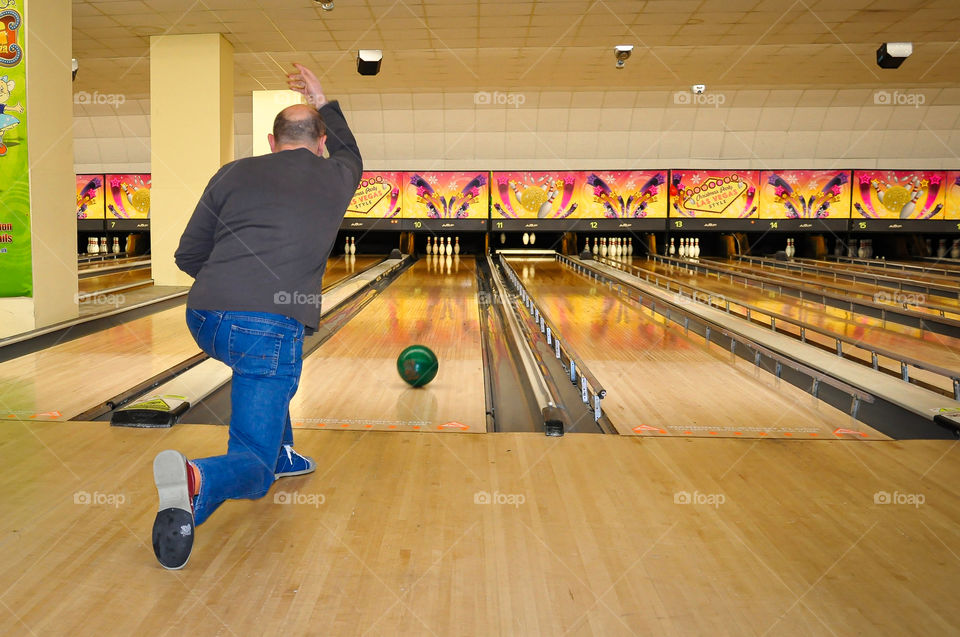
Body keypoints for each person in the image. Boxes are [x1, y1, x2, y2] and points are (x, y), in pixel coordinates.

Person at [151, 64, 362, 569]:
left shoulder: (232, 172)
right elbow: (351, 152)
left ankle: (284, 452)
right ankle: (199, 479)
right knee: (253, 464)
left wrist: (230, 285)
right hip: (267, 326)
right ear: (320, 142)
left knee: (264, 375)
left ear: (271, 141)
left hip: (204, 316)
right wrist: (323, 97)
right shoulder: (336, 175)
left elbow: (186, 255)